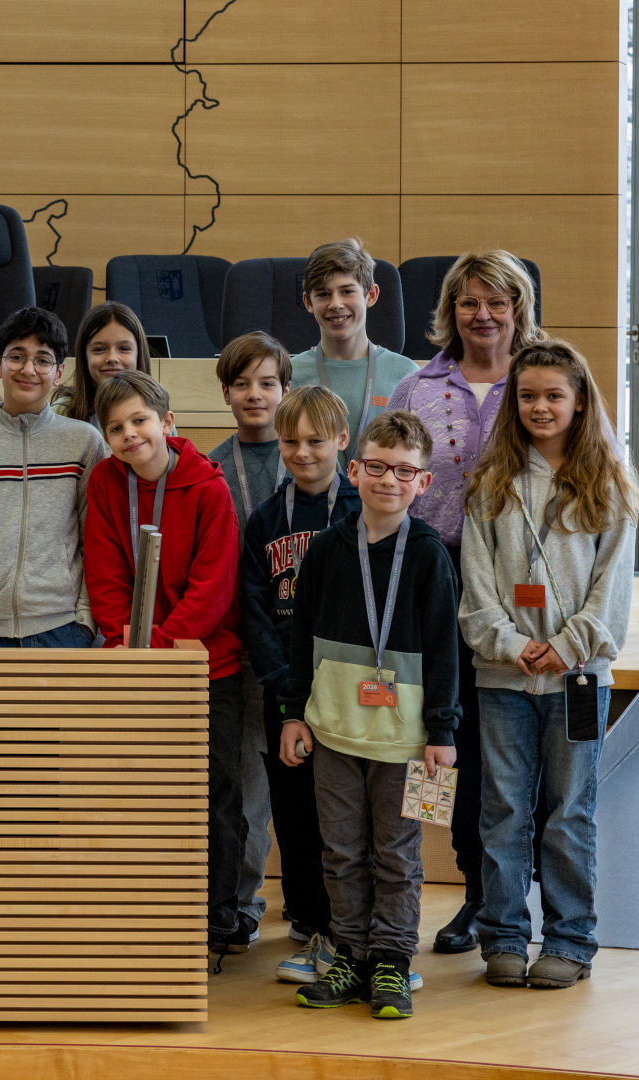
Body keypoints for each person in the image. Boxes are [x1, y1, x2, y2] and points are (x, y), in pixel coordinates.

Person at [459, 340, 639, 990]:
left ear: (580, 401)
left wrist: (566, 646)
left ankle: (570, 940)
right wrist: (511, 645)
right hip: (503, 681)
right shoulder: (490, 484)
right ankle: (504, 937)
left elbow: (611, 595)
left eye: (553, 395)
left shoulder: (609, 486)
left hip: (578, 682)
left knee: (569, 813)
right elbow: (476, 592)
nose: (540, 406)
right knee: (504, 810)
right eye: (528, 395)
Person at [385, 248, 544, 956]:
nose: (482, 315)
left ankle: (499, 896)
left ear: (518, 309)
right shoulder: (417, 387)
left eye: (496, 302)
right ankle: (465, 890)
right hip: (433, 576)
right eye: (468, 302)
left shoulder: (545, 379)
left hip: (517, 584)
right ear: (450, 311)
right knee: (441, 745)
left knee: (503, 750)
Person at [280, 410, 461, 1020]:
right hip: (332, 731)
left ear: (424, 483)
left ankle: (391, 960)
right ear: (354, 470)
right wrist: (293, 714)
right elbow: (299, 636)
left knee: (397, 853)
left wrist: (442, 730)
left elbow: (444, 650)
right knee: (341, 851)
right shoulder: (330, 549)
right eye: (377, 467)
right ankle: (351, 955)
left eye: (404, 471)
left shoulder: (431, 555)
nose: (388, 480)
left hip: (406, 742)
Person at [81, 370, 246, 954]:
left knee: (215, 797)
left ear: (168, 422)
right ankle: (146, 913)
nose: (131, 436)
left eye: (140, 421)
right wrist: (131, 651)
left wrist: (162, 648)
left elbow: (213, 587)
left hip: (205, 668)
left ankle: (216, 916)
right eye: (117, 428)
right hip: (132, 667)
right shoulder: (105, 483)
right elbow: (104, 578)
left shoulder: (207, 487)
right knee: (139, 796)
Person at [237, 385, 361, 983]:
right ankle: (311, 921)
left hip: (349, 695)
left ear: (342, 440)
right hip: (286, 694)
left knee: (347, 815)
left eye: (316, 440)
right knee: (293, 814)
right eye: (291, 441)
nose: (303, 452)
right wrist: (283, 685)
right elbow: (255, 614)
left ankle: (353, 925)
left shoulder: (363, 511)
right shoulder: (265, 519)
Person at [0, 306, 104, 649]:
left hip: (64, 630)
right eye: (17, 357)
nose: (28, 369)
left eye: (42, 360)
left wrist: (85, 622)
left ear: (59, 373)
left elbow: (95, 541)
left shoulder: (84, 442)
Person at [207, 330, 291, 949]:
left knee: (287, 787)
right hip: (235, 643)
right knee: (240, 782)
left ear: (287, 389)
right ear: (227, 392)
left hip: (295, 648)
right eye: (242, 384)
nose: (254, 395)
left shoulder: (308, 459)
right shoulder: (209, 465)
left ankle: (294, 905)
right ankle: (236, 902)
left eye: (267, 383)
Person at [291, 239, 418, 466]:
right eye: (323, 294)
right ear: (307, 302)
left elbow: (415, 455)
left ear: (371, 295)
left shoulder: (405, 374)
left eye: (347, 291)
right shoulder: (290, 374)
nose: (336, 304)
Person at [52, 301, 154, 426]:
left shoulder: (156, 410)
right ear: (84, 357)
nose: (112, 358)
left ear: (139, 354)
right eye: (99, 349)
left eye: (124, 348)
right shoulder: (62, 413)